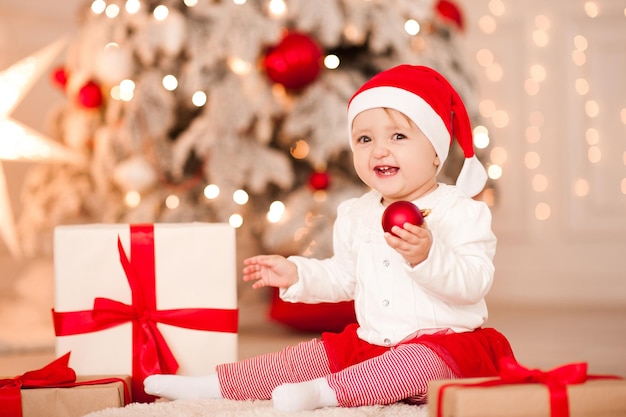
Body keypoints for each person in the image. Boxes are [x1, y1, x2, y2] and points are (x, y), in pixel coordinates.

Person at [144, 64, 514, 411]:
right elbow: (344, 277)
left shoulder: (460, 211)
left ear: (436, 152)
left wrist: (427, 256)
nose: (379, 150)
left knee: (413, 362)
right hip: (373, 345)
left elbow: (475, 283)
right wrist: (298, 275)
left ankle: (324, 393)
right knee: (310, 355)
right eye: (364, 139)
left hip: (445, 350)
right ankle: (211, 386)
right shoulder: (358, 214)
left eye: (398, 136)